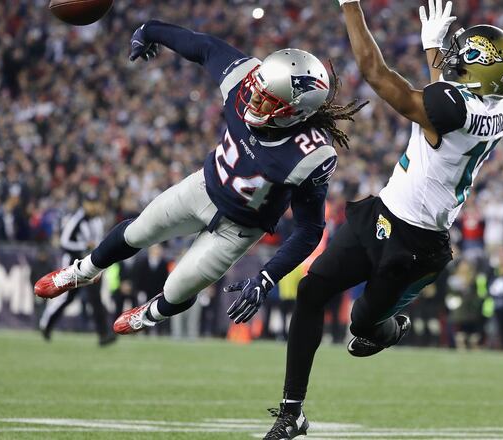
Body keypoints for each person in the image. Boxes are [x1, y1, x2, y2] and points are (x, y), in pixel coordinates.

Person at [263, 0, 503, 437]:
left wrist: (350, 6)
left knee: (363, 326)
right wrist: (433, 50)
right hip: (383, 213)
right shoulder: (500, 103)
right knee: (311, 290)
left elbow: (376, 73)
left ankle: (389, 329)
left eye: (467, 57)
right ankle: (292, 412)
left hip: (416, 246)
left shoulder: (456, 111)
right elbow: (450, 94)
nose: (456, 59)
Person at [34, 19, 366, 336]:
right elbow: (203, 47)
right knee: (138, 231)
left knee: (176, 289)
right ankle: (81, 272)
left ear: (294, 112)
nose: (253, 97)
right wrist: (150, 30)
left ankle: (151, 314)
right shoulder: (244, 78)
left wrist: (267, 277)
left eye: (267, 99)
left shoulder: (310, 155)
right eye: (257, 88)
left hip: (238, 231)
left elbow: (310, 229)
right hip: (203, 187)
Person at [38, 193, 116, 346]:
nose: (92, 206)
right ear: (84, 204)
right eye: (90, 203)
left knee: (96, 298)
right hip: (73, 265)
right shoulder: (76, 220)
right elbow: (64, 242)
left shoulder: (98, 220)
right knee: (66, 298)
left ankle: (104, 334)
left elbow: (99, 242)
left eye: (95, 203)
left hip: (92, 265)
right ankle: (46, 324)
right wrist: (84, 246)